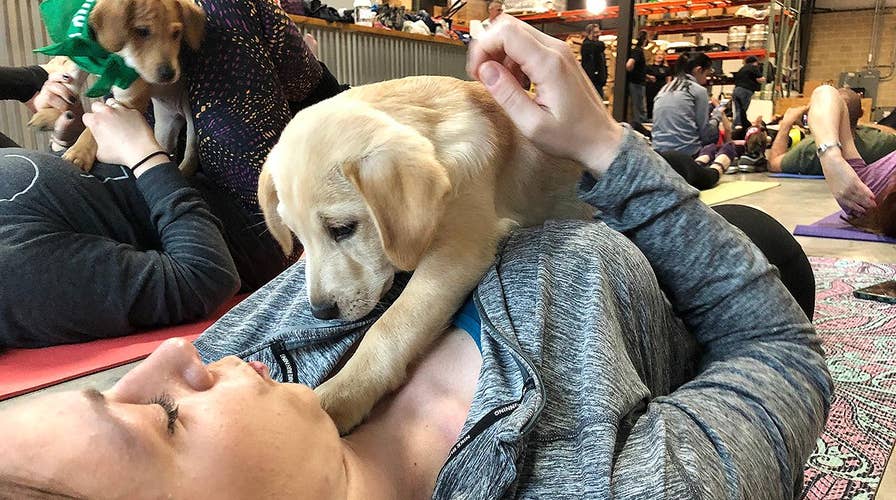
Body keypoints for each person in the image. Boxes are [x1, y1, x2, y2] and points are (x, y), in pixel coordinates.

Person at [0, 15, 830, 498]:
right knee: (768, 236)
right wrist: (611, 148)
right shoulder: (618, 484)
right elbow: (784, 353)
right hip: (695, 273)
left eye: (116, 387)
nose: (179, 353)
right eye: (163, 420)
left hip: (561, 194)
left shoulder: (245, 367)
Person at [803, 84, 896, 235]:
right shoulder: (884, 139)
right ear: (861, 113)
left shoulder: (867, 193)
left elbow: (825, 94)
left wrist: (831, 157)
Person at [768, 87, 896, 176]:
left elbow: (773, 164)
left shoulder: (810, 148)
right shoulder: (883, 142)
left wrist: (786, 124)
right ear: (861, 113)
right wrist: (855, 121)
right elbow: (892, 132)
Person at [652, 51, 736, 174]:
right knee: (726, 147)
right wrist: (717, 115)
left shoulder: (664, 89)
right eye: (706, 74)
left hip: (659, 153)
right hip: (687, 154)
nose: (705, 79)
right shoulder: (697, 90)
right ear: (698, 70)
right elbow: (706, 134)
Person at [731, 55, 766, 131]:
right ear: (755, 62)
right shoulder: (753, 67)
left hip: (736, 90)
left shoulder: (742, 69)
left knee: (738, 110)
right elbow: (760, 79)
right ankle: (738, 127)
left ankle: (735, 127)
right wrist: (763, 79)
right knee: (742, 110)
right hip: (745, 91)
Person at [625, 30, 649, 126]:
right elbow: (629, 65)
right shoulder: (637, 51)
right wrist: (635, 74)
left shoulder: (638, 51)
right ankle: (640, 124)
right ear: (645, 39)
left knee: (640, 105)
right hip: (636, 83)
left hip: (639, 82)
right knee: (639, 105)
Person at [580, 23, 607, 99]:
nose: (598, 34)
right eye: (595, 32)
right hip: (591, 82)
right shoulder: (587, 45)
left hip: (598, 82)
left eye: (598, 32)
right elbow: (600, 46)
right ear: (589, 34)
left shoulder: (596, 47)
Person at [645, 51, 671, 120]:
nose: (660, 56)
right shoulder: (649, 67)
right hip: (651, 88)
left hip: (662, 89)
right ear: (654, 56)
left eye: (662, 55)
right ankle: (650, 117)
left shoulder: (666, 68)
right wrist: (649, 77)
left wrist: (668, 89)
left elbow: (668, 79)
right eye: (658, 54)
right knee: (650, 103)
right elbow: (643, 75)